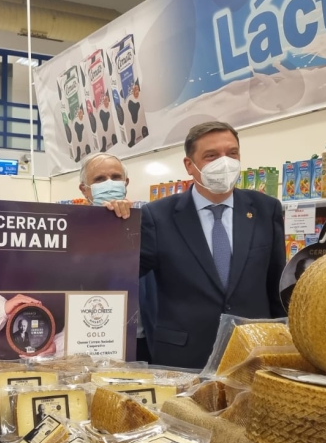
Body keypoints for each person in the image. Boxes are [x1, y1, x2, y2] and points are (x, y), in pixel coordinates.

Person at [108, 121, 285, 370]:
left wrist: (283, 341)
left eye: (232, 153)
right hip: (183, 357)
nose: (225, 162)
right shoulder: (158, 216)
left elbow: (276, 283)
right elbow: (123, 275)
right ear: (189, 165)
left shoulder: (266, 209)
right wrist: (109, 225)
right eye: (211, 156)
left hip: (253, 352)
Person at [78, 152, 157, 362]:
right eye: (99, 179)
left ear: (126, 183)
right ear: (84, 189)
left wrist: (125, 223)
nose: (109, 183)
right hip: (87, 338)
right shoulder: (73, 228)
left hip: (138, 337)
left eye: (116, 177)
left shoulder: (145, 223)